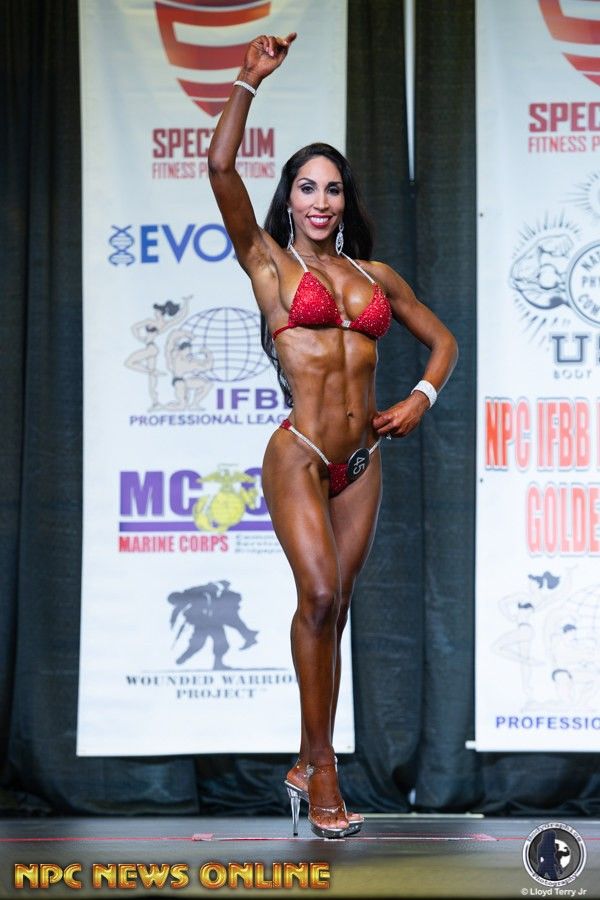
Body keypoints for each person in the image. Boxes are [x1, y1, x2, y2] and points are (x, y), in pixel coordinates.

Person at [208, 33, 458, 838]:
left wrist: (420, 395)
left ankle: (305, 757)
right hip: (301, 452)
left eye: (334, 190)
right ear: (290, 197)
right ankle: (323, 770)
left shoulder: (373, 278)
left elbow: (443, 341)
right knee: (316, 596)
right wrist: (248, 80)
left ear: (346, 201)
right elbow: (220, 168)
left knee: (336, 610)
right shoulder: (267, 262)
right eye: (308, 187)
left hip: (363, 461)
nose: (321, 201)